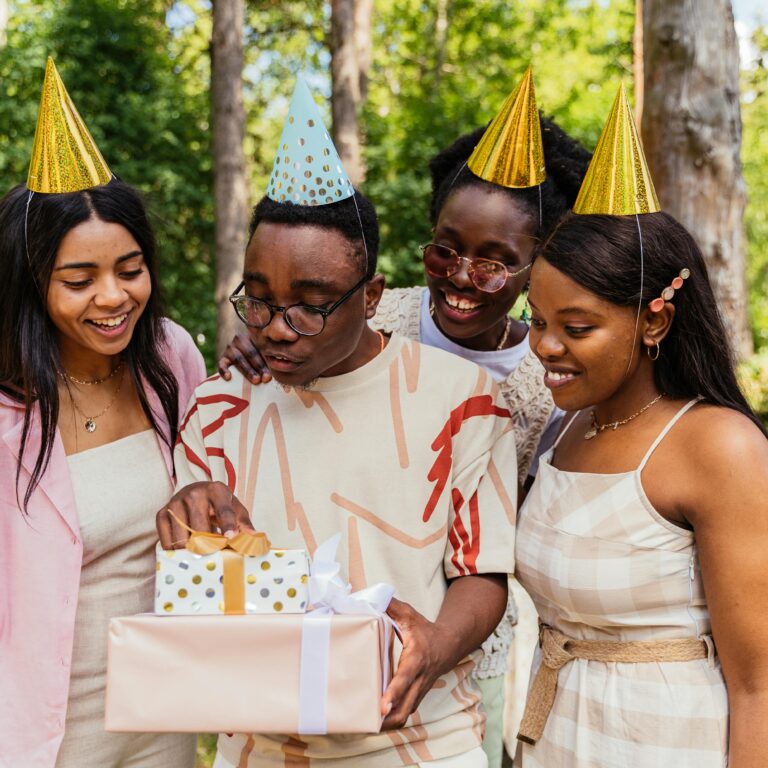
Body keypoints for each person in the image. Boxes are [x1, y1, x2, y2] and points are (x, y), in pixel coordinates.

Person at [217, 71, 591, 766]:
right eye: (446, 250)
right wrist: (269, 334)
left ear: (539, 264)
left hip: (461, 629)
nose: (461, 277)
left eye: (496, 264)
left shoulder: (551, 375)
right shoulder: (368, 317)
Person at [157, 78, 517, 768]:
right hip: (258, 745)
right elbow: (198, 587)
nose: (277, 330)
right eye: (258, 303)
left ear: (372, 296)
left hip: (420, 741)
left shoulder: (463, 398)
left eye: (309, 306)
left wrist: (439, 641)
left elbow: (484, 571)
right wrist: (183, 515)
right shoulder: (216, 405)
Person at [515, 85, 768, 767]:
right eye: (537, 321)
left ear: (655, 318)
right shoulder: (569, 426)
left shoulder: (717, 446)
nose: (544, 347)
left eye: (577, 328)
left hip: (663, 744)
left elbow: (759, 686)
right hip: (555, 737)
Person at [0, 59, 204, 768]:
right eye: (79, 280)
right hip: (40, 725)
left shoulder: (171, 359)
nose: (113, 297)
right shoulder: (7, 413)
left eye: (130, 268)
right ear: (31, 285)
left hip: (163, 705)